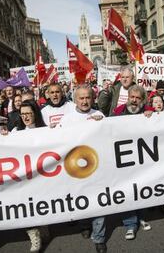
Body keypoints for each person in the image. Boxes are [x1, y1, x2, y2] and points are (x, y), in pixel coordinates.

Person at [58, 85, 106, 252]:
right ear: (74, 100)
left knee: (99, 202)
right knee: (82, 201)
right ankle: (85, 224)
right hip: (75, 170)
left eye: (88, 98)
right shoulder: (66, 120)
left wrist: (101, 126)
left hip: (97, 168)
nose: (85, 101)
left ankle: (99, 237)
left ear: (93, 99)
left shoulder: (99, 115)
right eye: (81, 98)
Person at [112, 85, 154, 240]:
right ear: (128, 97)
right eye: (132, 97)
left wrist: (153, 116)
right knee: (127, 192)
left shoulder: (149, 112)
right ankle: (130, 224)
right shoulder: (117, 113)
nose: (135, 101)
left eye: (138, 98)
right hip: (124, 160)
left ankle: (140, 216)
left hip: (143, 160)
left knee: (142, 190)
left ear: (142, 100)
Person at [14, 100, 48, 252]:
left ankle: (44, 225)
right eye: (23, 114)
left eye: (29, 113)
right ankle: (33, 234)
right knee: (25, 206)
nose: (26, 117)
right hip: (24, 178)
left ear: (35, 113)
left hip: (42, 176)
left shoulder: (46, 130)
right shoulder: (15, 132)